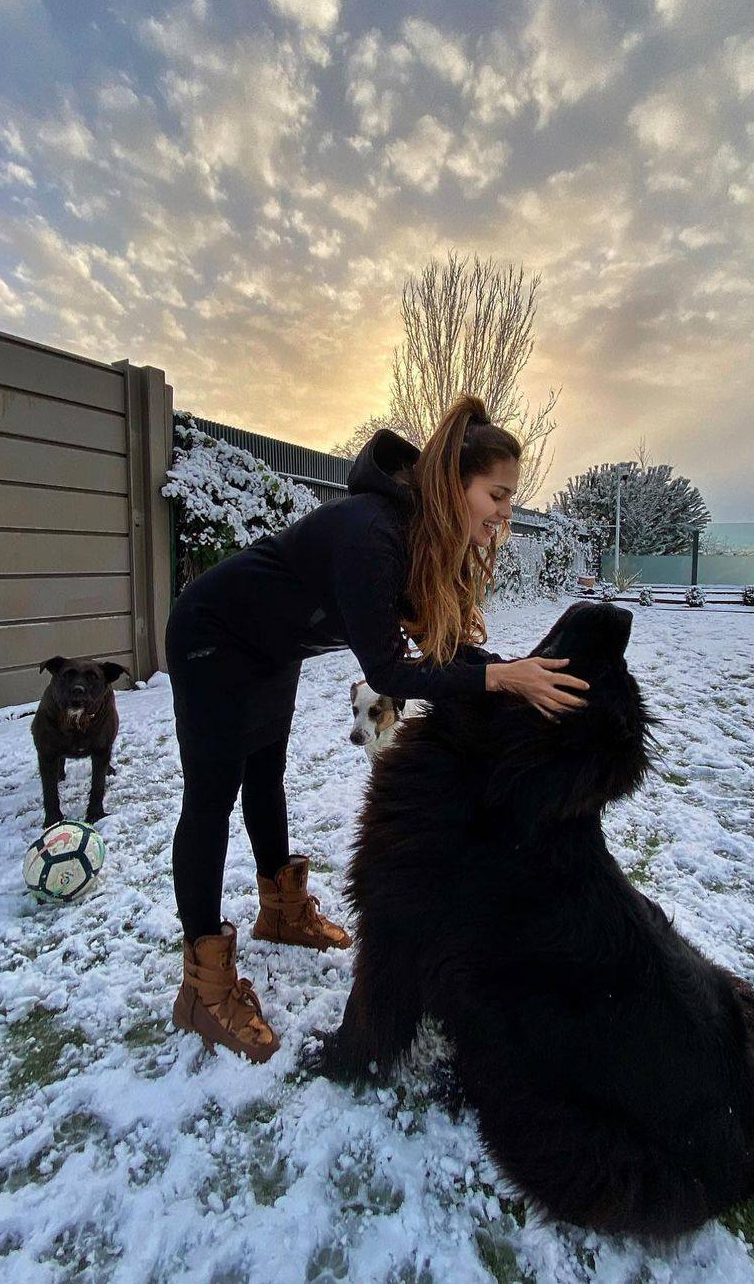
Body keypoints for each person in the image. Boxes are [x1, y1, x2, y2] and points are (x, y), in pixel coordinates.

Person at [164, 394, 591, 1061]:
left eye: (511, 498)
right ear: (457, 485)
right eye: (499, 495)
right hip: (212, 633)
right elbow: (392, 673)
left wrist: (515, 671)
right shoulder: (373, 534)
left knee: (265, 777)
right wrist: (502, 679)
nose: (506, 514)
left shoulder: (421, 536)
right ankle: (203, 989)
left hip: (272, 646)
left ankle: (280, 911)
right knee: (213, 796)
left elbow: (442, 652)